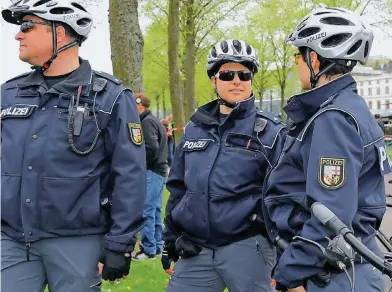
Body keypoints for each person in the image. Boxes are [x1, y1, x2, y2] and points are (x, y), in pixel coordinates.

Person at [1, 1, 146, 291]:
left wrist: (120, 242)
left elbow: (130, 175)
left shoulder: (110, 97)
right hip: (12, 241)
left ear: (62, 33)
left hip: (77, 243)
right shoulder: (10, 93)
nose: (18, 35)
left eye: (27, 25)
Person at [262, 7, 392, 292]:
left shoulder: (333, 119)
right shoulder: (350, 107)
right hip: (344, 268)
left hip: (334, 275)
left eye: (298, 56)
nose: (297, 64)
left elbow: (330, 214)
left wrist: (292, 272)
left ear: (313, 59)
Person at [161, 39, 287, 292]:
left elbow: (285, 197)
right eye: (228, 74)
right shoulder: (195, 129)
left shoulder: (272, 132)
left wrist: (285, 259)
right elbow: (178, 190)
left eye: (244, 74)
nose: (237, 81)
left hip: (248, 248)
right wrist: (170, 240)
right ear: (214, 80)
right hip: (197, 249)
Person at [132, 93, 168, 260]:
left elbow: (151, 147)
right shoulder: (155, 121)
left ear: (140, 105)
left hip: (152, 171)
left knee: (146, 210)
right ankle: (157, 245)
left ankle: (148, 249)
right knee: (155, 209)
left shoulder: (146, 122)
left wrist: (141, 164)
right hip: (159, 171)